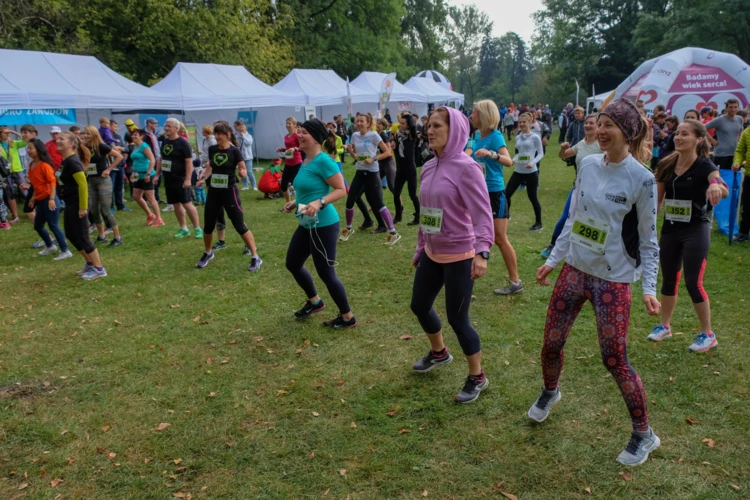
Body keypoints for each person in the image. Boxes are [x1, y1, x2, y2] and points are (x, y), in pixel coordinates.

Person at [531, 98, 660, 467]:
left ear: (628, 132)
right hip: (574, 269)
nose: (600, 131)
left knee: (614, 358)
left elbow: (650, 242)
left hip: (613, 281)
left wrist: (648, 289)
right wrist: (554, 261)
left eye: (609, 126)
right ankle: (550, 392)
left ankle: (644, 434)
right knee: (551, 343)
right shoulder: (586, 164)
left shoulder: (642, 179)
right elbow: (574, 218)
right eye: (598, 123)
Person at [409, 106, 493, 403]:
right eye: (428, 125)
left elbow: (483, 214)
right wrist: (421, 247)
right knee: (419, 305)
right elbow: (426, 215)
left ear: (454, 129)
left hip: (460, 254)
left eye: (436, 126)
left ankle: (477, 377)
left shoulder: (467, 167)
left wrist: (482, 252)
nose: (429, 131)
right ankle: (439, 353)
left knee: (459, 320)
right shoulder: (429, 167)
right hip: (433, 252)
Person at [648, 120, 727, 351]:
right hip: (670, 230)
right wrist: (648, 228)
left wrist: (715, 187)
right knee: (669, 278)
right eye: (676, 134)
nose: (678, 138)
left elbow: (720, 185)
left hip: (695, 230)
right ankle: (664, 326)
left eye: (684, 134)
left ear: (699, 139)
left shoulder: (704, 165)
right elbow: (657, 201)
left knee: (693, 282)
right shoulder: (666, 164)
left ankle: (708, 334)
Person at [282, 119, 356, 328]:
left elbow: (342, 189)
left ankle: (348, 317)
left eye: (303, 132)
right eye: (299, 131)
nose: (299, 135)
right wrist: (296, 202)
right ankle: (315, 301)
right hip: (307, 222)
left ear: (316, 137)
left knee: (326, 272)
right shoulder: (306, 160)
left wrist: (320, 202)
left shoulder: (324, 161)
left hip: (324, 224)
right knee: (293, 263)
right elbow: (311, 189)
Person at [466, 100, 521, 296]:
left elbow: (509, 161)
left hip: (495, 193)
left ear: (484, 115)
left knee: (499, 238)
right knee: (470, 237)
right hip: (477, 193)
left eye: (474, 112)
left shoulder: (496, 136)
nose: (471, 115)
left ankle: (515, 282)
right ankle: (465, 284)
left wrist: (491, 154)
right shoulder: (475, 137)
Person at [194, 122, 262, 271]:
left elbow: (242, 167)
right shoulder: (212, 149)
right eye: (216, 134)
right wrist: (203, 178)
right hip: (214, 191)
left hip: (229, 191)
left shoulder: (235, 151)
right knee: (208, 225)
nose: (217, 137)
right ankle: (208, 253)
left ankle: (255, 257)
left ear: (227, 135)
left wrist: (242, 173)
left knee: (239, 224)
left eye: (220, 134)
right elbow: (210, 167)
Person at [541, 115, 602, 258]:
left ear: (598, 126)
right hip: (579, 187)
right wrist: (564, 148)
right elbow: (564, 155)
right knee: (565, 218)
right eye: (586, 123)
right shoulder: (581, 143)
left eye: (591, 123)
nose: (587, 125)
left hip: (597, 190)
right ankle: (552, 245)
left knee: (592, 220)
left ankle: (589, 250)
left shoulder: (601, 145)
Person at [340, 113, 400, 245]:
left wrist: (374, 158)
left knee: (378, 204)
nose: (359, 124)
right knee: (350, 201)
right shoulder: (355, 136)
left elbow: (387, 152)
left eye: (362, 121)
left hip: (372, 174)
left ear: (368, 123)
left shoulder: (374, 135)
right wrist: (350, 150)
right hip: (360, 173)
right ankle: (349, 229)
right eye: (357, 122)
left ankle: (394, 233)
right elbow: (356, 157)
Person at [56, 131, 107, 280]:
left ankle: (99, 269)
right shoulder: (66, 161)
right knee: (71, 234)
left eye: (62, 139)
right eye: (57, 138)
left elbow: (83, 185)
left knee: (83, 237)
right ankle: (89, 263)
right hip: (70, 202)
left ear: (72, 144)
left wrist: (83, 207)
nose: (58, 141)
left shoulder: (73, 162)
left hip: (78, 203)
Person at [24, 139, 73, 260]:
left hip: (49, 199)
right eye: (28, 148)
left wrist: (51, 199)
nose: (28, 150)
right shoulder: (31, 165)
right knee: (38, 225)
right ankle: (50, 246)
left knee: (53, 225)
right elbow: (36, 183)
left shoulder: (45, 165)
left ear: (38, 150)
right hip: (41, 199)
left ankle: (65, 250)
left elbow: (52, 183)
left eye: (31, 148)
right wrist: (34, 197)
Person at [155, 118, 203, 238]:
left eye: (169, 126)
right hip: (169, 178)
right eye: (165, 126)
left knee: (187, 203)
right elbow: (162, 159)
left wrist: (187, 179)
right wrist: (156, 174)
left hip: (181, 178)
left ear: (176, 128)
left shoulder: (183, 143)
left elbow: (188, 162)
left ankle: (197, 229)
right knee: (176, 204)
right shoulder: (165, 142)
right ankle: (183, 228)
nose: (166, 128)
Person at [80, 126, 124, 247]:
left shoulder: (101, 146)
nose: (85, 136)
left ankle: (117, 237)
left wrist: (109, 169)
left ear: (94, 135)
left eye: (88, 134)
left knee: (105, 210)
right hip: (90, 180)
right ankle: (101, 236)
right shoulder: (84, 148)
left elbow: (119, 156)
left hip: (103, 180)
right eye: (84, 134)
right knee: (93, 210)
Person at [506, 113, 544, 231]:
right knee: (506, 194)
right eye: (520, 122)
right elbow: (518, 153)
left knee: (532, 197)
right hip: (518, 171)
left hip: (531, 172)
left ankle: (539, 223)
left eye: (524, 122)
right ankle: (506, 216)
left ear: (529, 122)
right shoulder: (518, 137)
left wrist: (532, 163)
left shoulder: (535, 137)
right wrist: (513, 160)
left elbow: (541, 153)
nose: (521, 124)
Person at [129, 128, 164, 227]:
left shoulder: (144, 146)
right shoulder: (135, 146)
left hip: (146, 174)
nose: (133, 136)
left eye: (135, 134)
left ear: (141, 136)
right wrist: (133, 172)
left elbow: (152, 160)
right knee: (136, 196)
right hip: (137, 174)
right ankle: (150, 215)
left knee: (150, 198)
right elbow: (135, 161)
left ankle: (159, 219)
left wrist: (148, 173)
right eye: (132, 135)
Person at [392, 114, 420, 226]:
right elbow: (397, 151)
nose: (400, 125)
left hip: (410, 168)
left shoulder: (412, 135)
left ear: (409, 126)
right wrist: (393, 146)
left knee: (412, 194)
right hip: (400, 168)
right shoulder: (397, 135)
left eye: (403, 123)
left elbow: (417, 133)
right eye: (400, 122)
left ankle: (418, 216)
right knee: (396, 193)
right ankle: (398, 216)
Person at [705, 99, 744, 170]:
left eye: (735, 107)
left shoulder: (740, 119)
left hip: (735, 154)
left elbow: (740, 132)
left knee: (734, 177)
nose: (733, 109)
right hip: (721, 155)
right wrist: (712, 140)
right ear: (726, 108)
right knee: (720, 178)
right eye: (731, 107)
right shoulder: (720, 120)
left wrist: (739, 143)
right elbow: (702, 128)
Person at [277, 117, 303, 207]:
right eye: (287, 123)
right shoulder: (286, 136)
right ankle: (288, 204)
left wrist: (295, 149)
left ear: (294, 125)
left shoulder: (297, 136)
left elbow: (302, 148)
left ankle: (300, 204)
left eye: (289, 123)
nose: (287, 125)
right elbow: (288, 148)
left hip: (297, 163)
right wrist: (282, 149)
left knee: (297, 185)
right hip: (288, 163)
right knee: (283, 185)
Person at [731, 124, 750, 242]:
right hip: (749, 174)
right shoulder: (747, 131)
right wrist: (737, 162)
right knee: (747, 205)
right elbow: (740, 150)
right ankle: (743, 232)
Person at [108, 120, 130, 212]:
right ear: (108, 126)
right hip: (111, 166)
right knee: (111, 187)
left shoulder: (118, 137)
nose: (116, 128)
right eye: (114, 126)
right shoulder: (104, 138)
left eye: (117, 126)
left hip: (120, 165)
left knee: (119, 186)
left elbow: (126, 149)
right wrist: (112, 150)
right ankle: (111, 206)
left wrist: (120, 148)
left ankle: (120, 205)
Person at [234, 120, 256, 191]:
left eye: (243, 129)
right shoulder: (237, 136)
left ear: (245, 129)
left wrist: (243, 136)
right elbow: (236, 145)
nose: (241, 131)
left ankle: (254, 185)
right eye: (240, 129)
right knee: (242, 171)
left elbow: (248, 143)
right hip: (241, 157)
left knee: (249, 171)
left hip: (248, 157)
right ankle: (245, 185)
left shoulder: (249, 136)